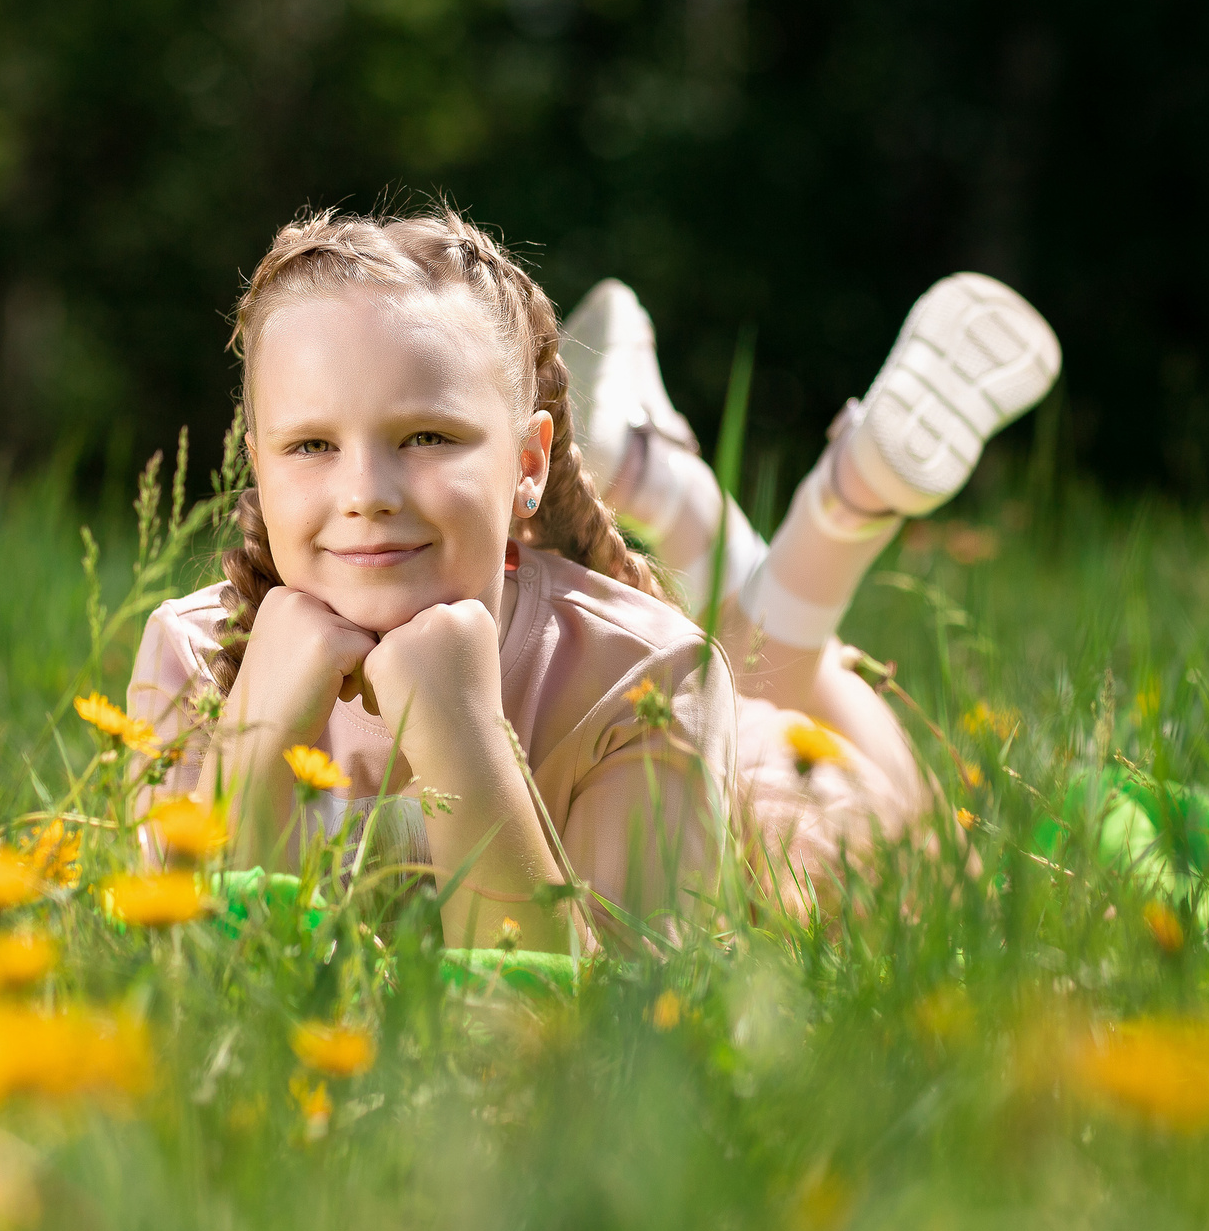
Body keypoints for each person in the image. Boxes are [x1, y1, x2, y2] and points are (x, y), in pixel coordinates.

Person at [126, 204, 1059, 948]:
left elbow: (582, 1049)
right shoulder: (198, 656)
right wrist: (255, 742)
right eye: (312, 445)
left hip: (777, 828)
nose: (364, 492)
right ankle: (682, 488)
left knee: (886, 803)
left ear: (528, 463)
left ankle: (837, 507)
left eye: (427, 436)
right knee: (762, 666)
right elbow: (190, 985)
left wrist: (462, 737)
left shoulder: (646, 672)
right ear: (258, 460)